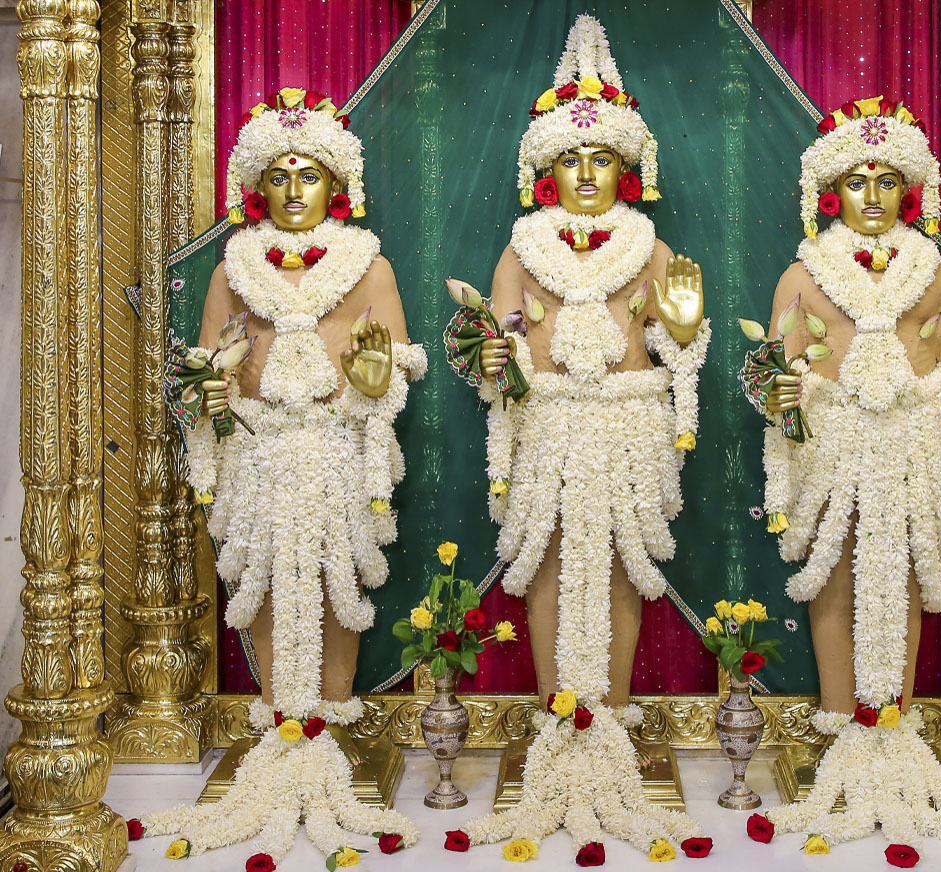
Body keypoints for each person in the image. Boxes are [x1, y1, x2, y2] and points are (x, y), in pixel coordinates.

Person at [448, 16, 711, 858]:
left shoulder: (650, 246)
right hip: (550, 424)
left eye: (602, 159)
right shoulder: (522, 250)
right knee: (552, 561)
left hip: (628, 424)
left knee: (624, 563)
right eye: (572, 159)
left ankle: (612, 718)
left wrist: (683, 329)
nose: (588, 173)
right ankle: (558, 716)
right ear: (546, 173)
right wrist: (493, 356)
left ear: (626, 171)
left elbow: (677, 345)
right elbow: (492, 348)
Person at [142, 87, 422, 863]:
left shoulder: (368, 265)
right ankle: (279, 725)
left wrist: (374, 382)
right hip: (262, 449)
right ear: (257, 186)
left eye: (309, 175)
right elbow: (208, 364)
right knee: (264, 581)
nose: (294, 189)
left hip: (335, 446)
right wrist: (209, 391)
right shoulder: (233, 269)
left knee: (335, 583)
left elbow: (400, 361)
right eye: (280, 175)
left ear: (337, 184)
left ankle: (329, 723)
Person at [751, 95, 941, 856]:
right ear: (833, 191)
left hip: (911, 442)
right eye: (857, 180)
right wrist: (780, 394)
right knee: (836, 576)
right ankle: (842, 723)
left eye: (887, 180)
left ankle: (890, 721)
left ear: (910, 190)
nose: (872, 195)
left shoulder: (934, 273)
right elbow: (773, 369)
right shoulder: (805, 272)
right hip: (834, 442)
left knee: (899, 576)